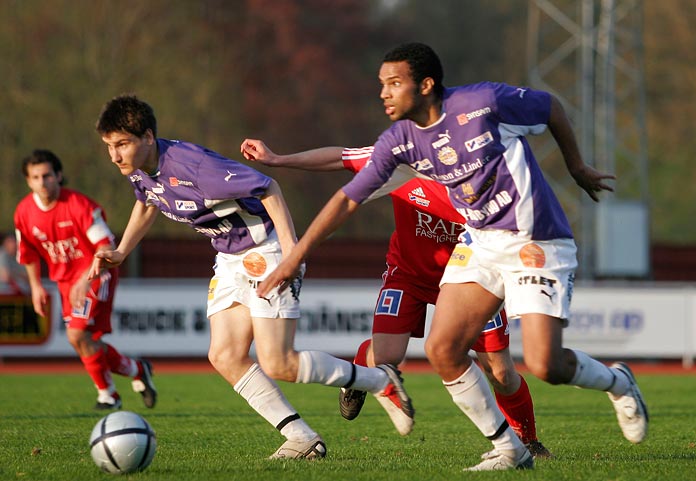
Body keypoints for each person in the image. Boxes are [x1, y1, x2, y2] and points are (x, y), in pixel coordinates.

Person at [254, 42, 648, 471]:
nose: (383, 93)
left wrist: (576, 166)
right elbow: (346, 200)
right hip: (480, 244)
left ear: (425, 85)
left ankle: (617, 382)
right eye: (381, 84)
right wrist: (293, 257)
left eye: (394, 84)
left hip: (535, 241)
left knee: (543, 364)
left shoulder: (483, 103)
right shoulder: (398, 142)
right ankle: (509, 450)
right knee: (444, 350)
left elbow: (549, 106)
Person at [90, 94, 414, 461]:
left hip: (267, 252)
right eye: (109, 147)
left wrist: (292, 252)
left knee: (279, 363)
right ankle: (302, 438)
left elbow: (267, 188)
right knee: (225, 355)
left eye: (122, 144)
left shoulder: (196, 167)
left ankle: (380, 381)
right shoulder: (140, 169)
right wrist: (121, 252)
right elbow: (148, 200)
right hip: (229, 258)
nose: (115, 155)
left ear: (147, 137)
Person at [240, 140, 551, 458]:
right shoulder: (401, 158)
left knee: (499, 370)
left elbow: (516, 224)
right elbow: (340, 156)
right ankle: (361, 368)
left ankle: (527, 440)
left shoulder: (479, 174)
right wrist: (279, 158)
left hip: (472, 278)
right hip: (409, 275)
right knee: (386, 357)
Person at [14, 149, 157, 410]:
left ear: (59, 176)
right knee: (86, 342)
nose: (42, 182)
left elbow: (106, 245)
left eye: (47, 175)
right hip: (65, 282)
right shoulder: (24, 212)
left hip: (96, 273)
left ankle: (108, 395)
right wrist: (35, 287)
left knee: (76, 334)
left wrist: (84, 280)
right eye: (35, 177)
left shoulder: (79, 206)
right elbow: (28, 254)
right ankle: (137, 370)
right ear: (28, 181)